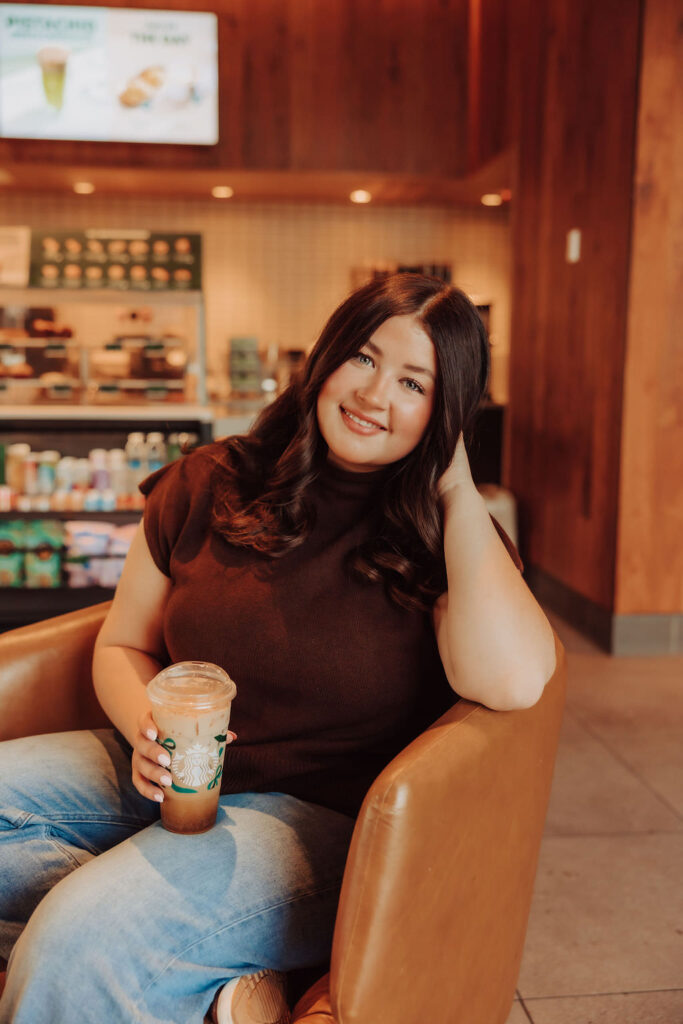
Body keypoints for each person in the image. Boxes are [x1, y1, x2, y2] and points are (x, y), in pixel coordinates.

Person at [0, 273, 556, 1024]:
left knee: (78, 940)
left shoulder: (440, 539)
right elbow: (123, 643)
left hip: (313, 822)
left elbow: (517, 680)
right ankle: (212, 974)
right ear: (325, 359)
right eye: (362, 358)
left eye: (413, 383)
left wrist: (456, 489)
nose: (372, 394)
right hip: (174, 778)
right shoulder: (208, 480)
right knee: (89, 911)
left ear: (444, 410)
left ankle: (142, 938)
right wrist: (146, 727)